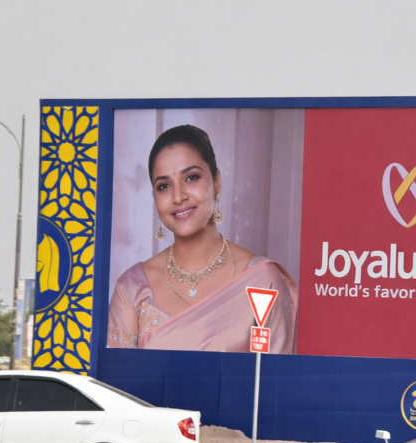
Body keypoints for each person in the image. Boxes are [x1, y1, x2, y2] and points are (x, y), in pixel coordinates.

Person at [107, 124, 297, 352]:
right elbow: (113, 386)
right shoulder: (132, 288)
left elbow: (271, 384)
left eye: (191, 177)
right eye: (164, 186)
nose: (178, 196)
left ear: (216, 181)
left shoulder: (262, 281)